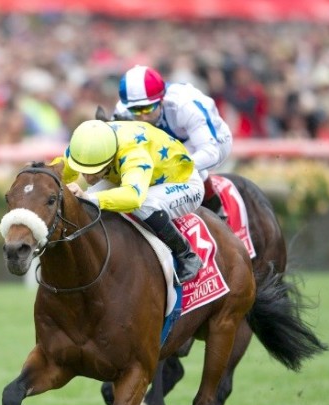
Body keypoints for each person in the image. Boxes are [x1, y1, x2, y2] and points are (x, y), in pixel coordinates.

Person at [60, 119, 204, 283]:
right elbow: (59, 173)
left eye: (95, 171)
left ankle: (186, 255)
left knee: (143, 205)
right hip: (140, 177)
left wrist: (89, 197)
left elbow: (133, 197)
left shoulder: (133, 152)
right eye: (83, 171)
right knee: (87, 203)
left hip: (183, 183)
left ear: (110, 157)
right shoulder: (84, 147)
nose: (88, 177)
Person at [114, 65, 233, 217]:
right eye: (136, 110)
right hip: (172, 142)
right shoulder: (122, 110)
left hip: (215, 141)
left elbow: (210, 153)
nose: (142, 116)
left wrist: (170, 168)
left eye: (148, 108)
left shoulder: (184, 105)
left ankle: (218, 212)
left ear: (161, 99)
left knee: (181, 165)